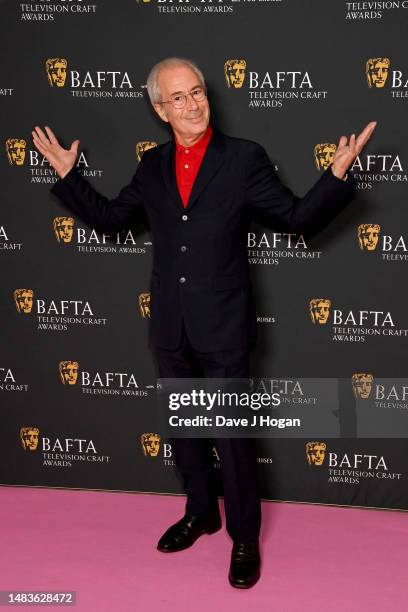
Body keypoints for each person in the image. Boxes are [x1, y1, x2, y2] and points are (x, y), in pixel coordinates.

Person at [32, 56, 376, 589]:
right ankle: (201, 512)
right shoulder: (151, 167)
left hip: (223, 326)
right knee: (184, 432)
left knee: (233, 438)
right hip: (170, 325)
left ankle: (242, 536)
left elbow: (295, 220)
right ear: (158, 108)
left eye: (197, 92)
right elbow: (110, 220)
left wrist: (334, 174)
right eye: (178, 98)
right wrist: (67, 176)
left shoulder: (242, 160)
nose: (192, 104)